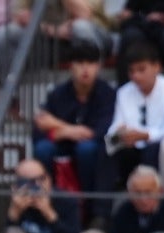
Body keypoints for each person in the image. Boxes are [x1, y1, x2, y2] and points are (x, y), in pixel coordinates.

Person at [32, 38, 115, 212]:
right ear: (71, 66)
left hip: (93, 152)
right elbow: (40, 127)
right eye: (80, 62)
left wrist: (57, 126)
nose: (85, 69)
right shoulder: (58, 93)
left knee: (87, 148)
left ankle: (90, 206)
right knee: (42, 149)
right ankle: (47, 200)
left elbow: (99, 132)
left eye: (91, 63)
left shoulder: (107, 93)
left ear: (98, 67)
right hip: (63, 146)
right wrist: (69, 131)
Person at [106, 41, 164, 188]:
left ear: (157, 67)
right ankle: (102, 207)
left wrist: (147, 135)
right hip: (132, 146)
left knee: (157, 148)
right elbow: (115, 127)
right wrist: (119, 134)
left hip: (158, 145)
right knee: (107, 146)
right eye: (132, 71)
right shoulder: (123, 92)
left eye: (141, 70)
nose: (136, 76)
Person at [5, 156, 80, 233]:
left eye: (41, 179)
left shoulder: (66, 201)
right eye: (28, 182)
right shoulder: (16, 200)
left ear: (49, 179)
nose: (37, 185)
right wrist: (14, 213)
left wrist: (49, 214)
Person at [108, 166, 164, 233]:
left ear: (160, 191)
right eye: (137, 193)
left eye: (148, 192)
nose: (143, 199)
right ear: (129, 193)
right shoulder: (123, 210)